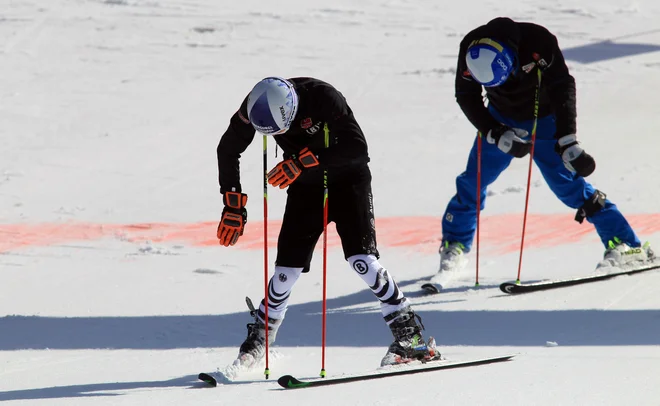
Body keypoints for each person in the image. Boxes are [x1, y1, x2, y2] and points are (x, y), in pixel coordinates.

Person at [216, 77, 438, 367]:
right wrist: (233, 203)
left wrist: (299, 162)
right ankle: (262, 336)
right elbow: (228, 149)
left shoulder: (324, 97)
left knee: (364, 263)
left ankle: (412, 339)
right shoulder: (255, 104)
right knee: (285, 273)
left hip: (349, 181)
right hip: (306, 187)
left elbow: (357, 149)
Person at [439, 17, 654, 272]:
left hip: (546, 120)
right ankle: (455, 243)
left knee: (569, 187)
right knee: (473, 181)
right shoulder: (470, 50)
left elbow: (563, 86)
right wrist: (495, 133)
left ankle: (627, 244)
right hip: (500, 118)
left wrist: (567, 141)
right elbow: (466, 95)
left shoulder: (538, 41)